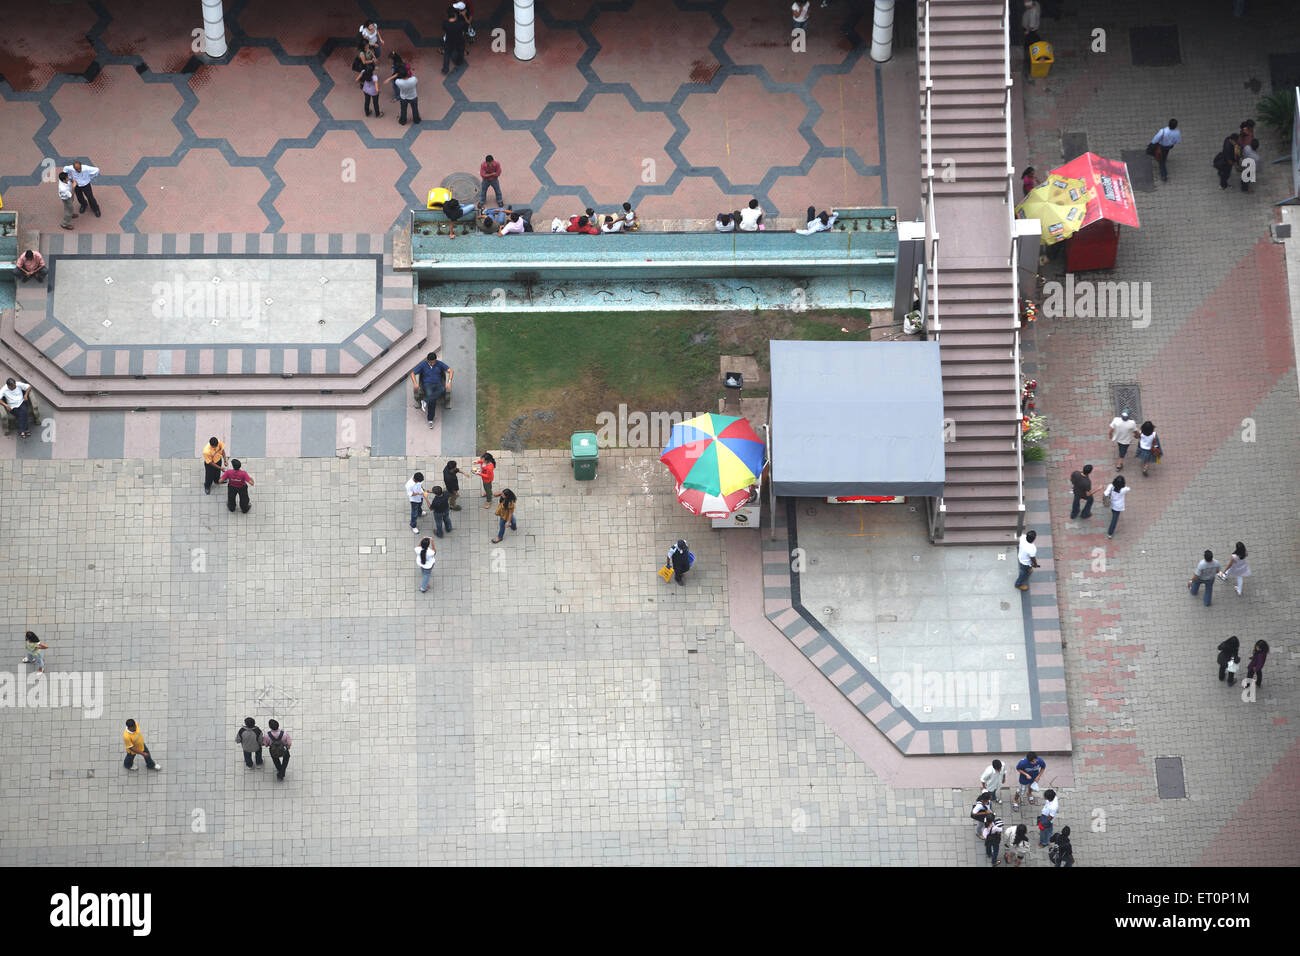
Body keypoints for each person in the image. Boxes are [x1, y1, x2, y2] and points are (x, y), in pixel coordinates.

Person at [410, 351, 451, 428]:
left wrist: (449, 381)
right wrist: (415, 383)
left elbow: (450, 371)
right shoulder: (423, 365)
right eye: (431, 362)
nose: (432, 363)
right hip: (428, 385)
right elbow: (412, 374)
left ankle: (425, 401)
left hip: (438, 384)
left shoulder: (439, 363)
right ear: (428, 360)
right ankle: (430, 420)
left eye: (434, 362)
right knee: (433, 400)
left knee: (443, 389)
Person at [442, 4, 468, 74]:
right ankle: (459, 62)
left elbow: (444, 29)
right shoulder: (460, 24)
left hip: (449, 42)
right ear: (455, 15)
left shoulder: (445, 23)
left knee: (446, 54)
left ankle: (445, 69)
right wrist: (463, 15)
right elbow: (466, 27)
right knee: (460, 51)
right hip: (459, 41)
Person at [1102, 474, 1128, 539]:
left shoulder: (1111, 486)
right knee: (1115, 519)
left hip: (1112, 503)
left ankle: (1110, 533)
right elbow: (1128, 488)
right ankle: (1110, 533)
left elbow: (1105, 493)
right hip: (1118, 506)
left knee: (1113, 512)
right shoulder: (1124, 489)